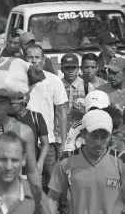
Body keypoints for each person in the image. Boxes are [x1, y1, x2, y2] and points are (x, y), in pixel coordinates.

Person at [47, 110, 125, 214]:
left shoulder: (121, 161)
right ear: (82, 134)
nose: (98, 142)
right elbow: (52, 198)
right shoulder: (67, 161)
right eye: (94, 136)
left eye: (104, 137)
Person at [23, 44, 68, 186]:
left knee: (55, 183)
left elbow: (61, 112)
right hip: (23, 141)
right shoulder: (18, 81)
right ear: (24, 59)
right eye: (30, 57)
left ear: (43, 59)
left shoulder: (54, 80)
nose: (34, 60)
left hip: (47, 142)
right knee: (27, 183)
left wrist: (64, 142)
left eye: (37, 57)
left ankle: (58, 208)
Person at [10, 94, 49, 175]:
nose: (9, 106)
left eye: (12, 104)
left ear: (22, 104)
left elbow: (45, 144)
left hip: (31, 167)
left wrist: (40, 163)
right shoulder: (7, 118)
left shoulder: (36, 117)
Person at [60, 53, 94, 128]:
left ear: (78, 69)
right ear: (62, 69)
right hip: (59, 132)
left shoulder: (88, 87)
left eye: (73, 68)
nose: (71, 71)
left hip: (81, 131)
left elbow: (94, 113)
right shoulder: (56, 86)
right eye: (67, 68)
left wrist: (84, 111)